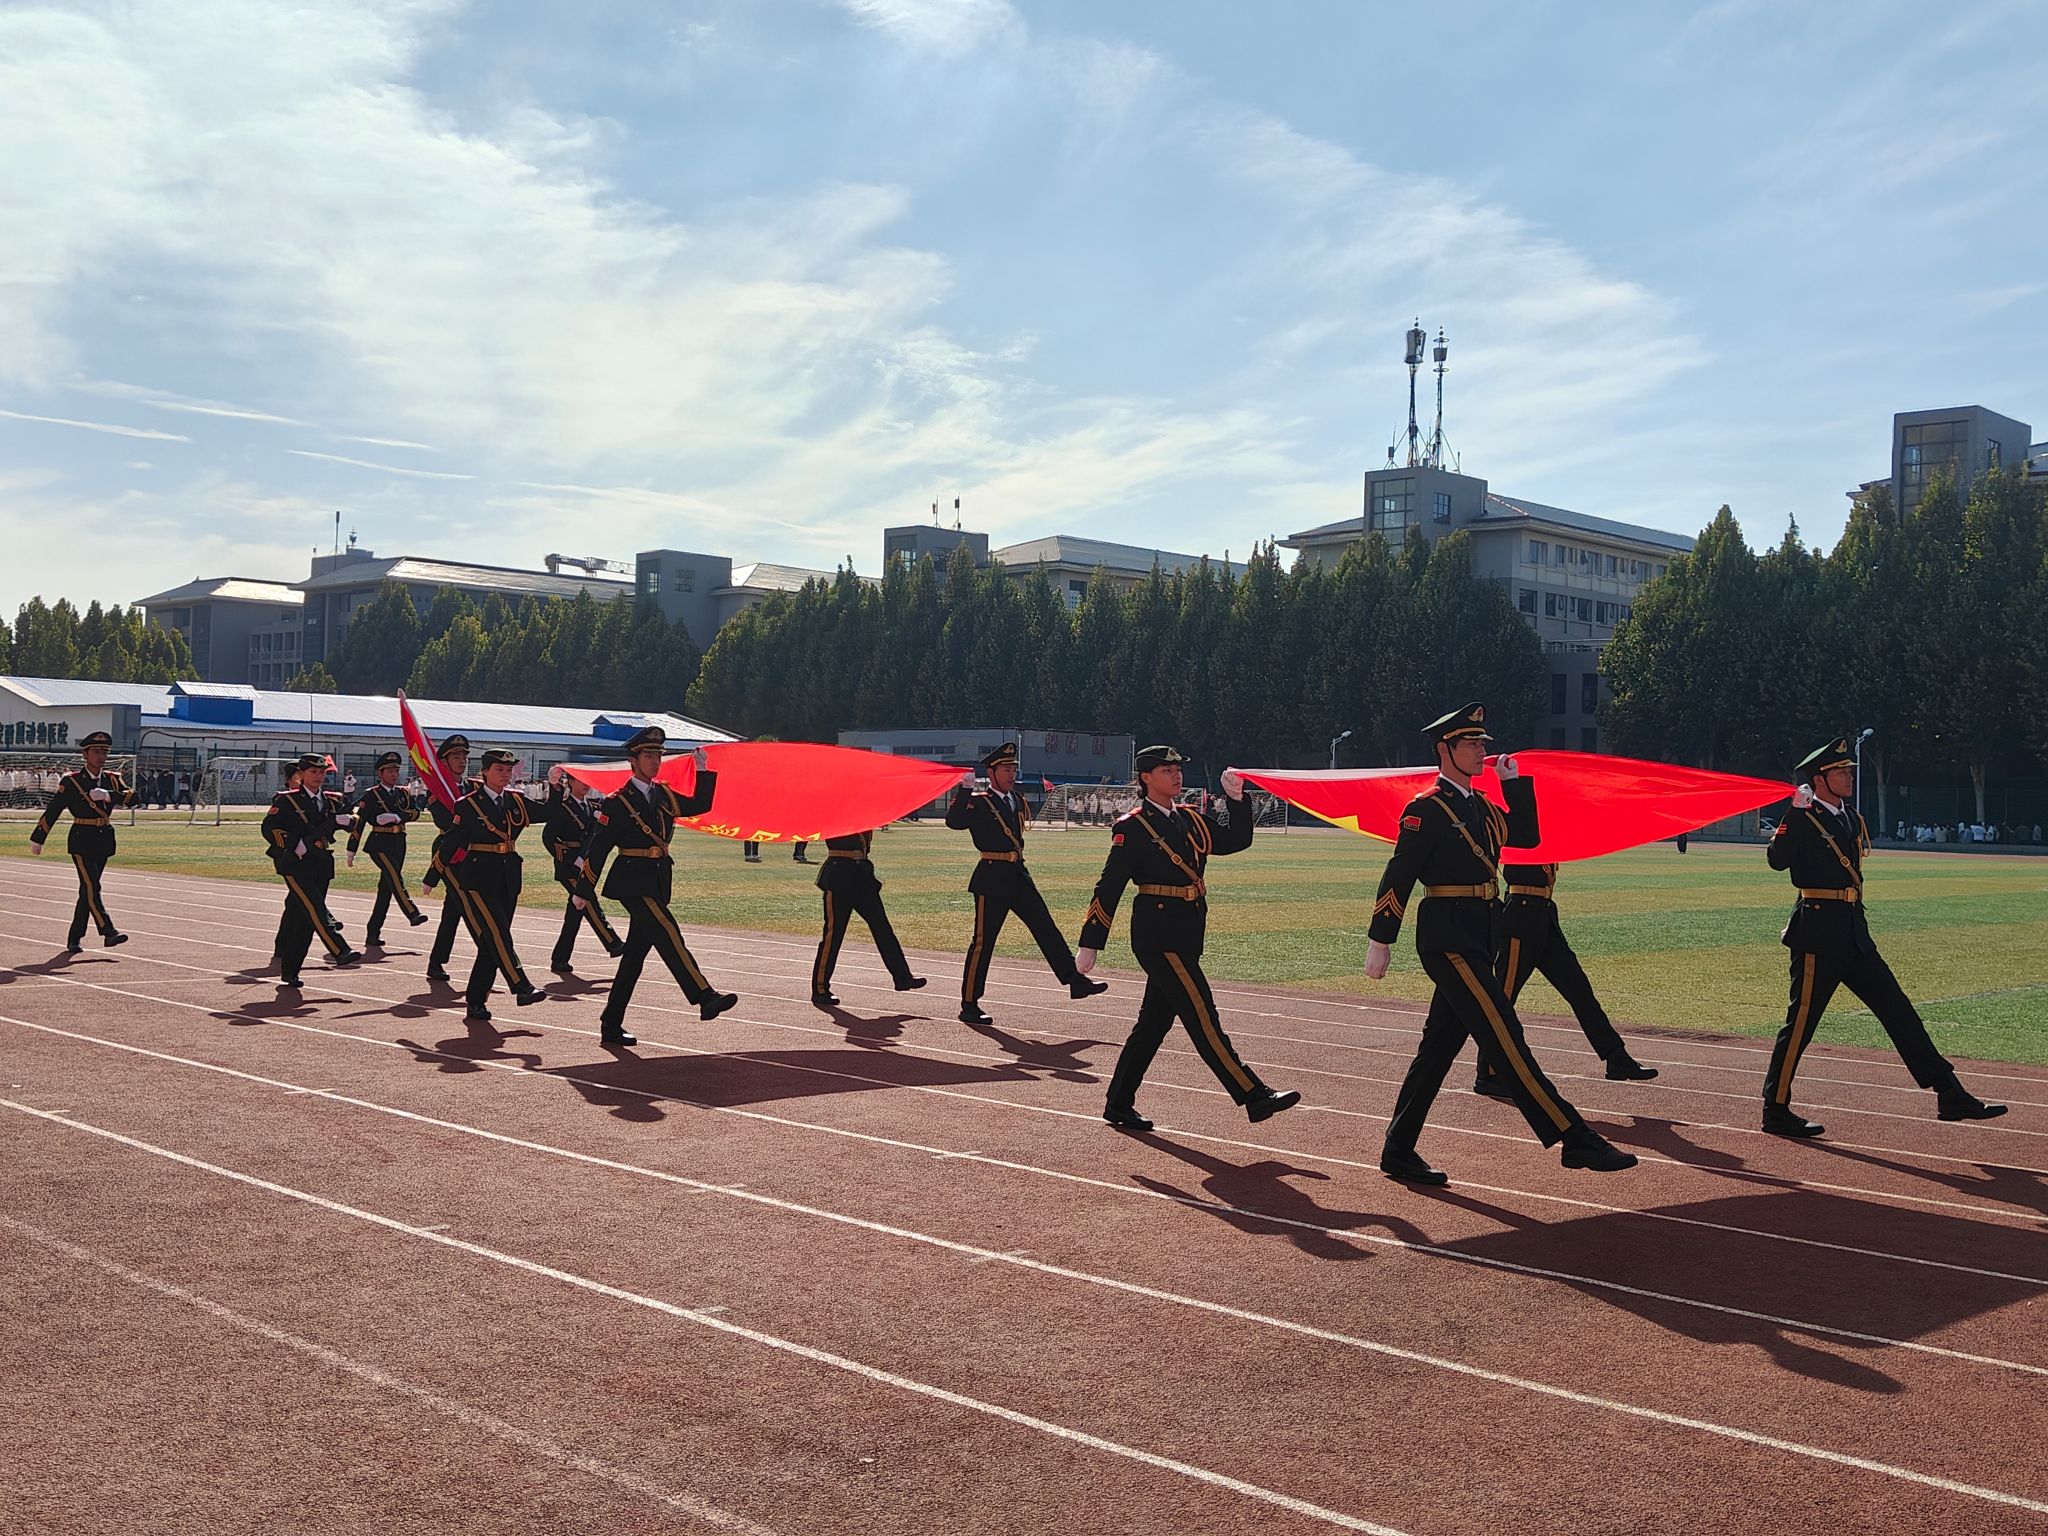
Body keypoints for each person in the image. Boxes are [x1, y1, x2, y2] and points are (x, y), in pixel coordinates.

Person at [1364, 703, 1636, 1184]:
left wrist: (1514, 784)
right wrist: (1380, 938)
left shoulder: (1483, 806)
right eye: (1470, 744)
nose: (1479, 751)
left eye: (1481, 744)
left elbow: (1527, 837)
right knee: (1503, 1032)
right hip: (1447, 936)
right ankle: (1573, 1137)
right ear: (1444, 749)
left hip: (1481, 932)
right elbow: (1399, 874)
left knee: (1438, 1049)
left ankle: (1398, 1150)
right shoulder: (1425, 809)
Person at [1760, 738, 2004, 1136]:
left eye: (1849, 771)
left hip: (1854, 933)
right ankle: (1775, 1109)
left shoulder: (1850, 817)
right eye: (1840, 771)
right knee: (1800, 1024)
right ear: (1819, 779)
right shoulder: (1803, 817)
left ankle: (1949, 1092)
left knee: (1899, 1011)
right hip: (1817, 935)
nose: (1849, 777)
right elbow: (1777, 861)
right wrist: (1794, 811)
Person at [1076, 745, 1299, 1131]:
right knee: (1202, 1014)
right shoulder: (1133, 827)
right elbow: (1108, 886)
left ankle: (1118, 1103)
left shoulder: (1190, 818)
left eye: (1178, 769)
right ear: (1146, 777)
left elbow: (1235, 840)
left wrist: (1236, 800)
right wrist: (1091, 941)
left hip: (1188, 930)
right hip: (1156, 934)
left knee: (1153, 1024)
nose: (1177, 775)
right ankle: (1253, 1094)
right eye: (1167, 770)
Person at [581, 727, 738, 1046]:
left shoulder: (664, 794)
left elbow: (699, 805)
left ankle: (611, 1023)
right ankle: (704, 995)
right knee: (668, 931)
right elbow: (599, 849)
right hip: (631, 880)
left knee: (634, 957)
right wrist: (583, 890)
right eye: (649, 755)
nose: (655, 761)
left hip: (656, 879)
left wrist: (703, 770)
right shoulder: (617, 802)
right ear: (633, 760)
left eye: (658, 756)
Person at [947, 742, 1106, 1025]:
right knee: (983, 942)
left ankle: (1074, 980)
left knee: (1045, 927)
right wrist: (964, 790)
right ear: (992, 773)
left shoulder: (1016, 800)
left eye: (1013, 770)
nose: (1011, 775)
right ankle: (969, 1003)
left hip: (1017, 873)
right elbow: (954, 822)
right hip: (991, 876)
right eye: (1006, 770)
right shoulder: (980, 802)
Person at [1473, 861, 1656, 1097]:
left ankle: (1616, 1057)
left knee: (1580, 991)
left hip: (1544, 916)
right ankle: (1487, 1072)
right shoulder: (1517, 838)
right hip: (1521, 919)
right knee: (1503, 1000)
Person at [444, 749, 553, 1022]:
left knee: (491, 941)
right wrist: (432, 876)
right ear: (485, 772)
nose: (505, 775)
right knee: (499, 934)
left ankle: (475, 1001)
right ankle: (521, 985)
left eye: (508, 770)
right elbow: (452, 841)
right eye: (499, 770)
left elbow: (548, 812)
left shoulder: (516, 800)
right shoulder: (468, 804)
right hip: (479, 877)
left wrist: (555, 785)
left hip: (508, 876)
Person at [29, 730, 138, 953]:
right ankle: (108, 931)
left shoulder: (112, 779)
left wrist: (109, 795)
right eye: (96, 752)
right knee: (92, 887)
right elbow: (54, 810)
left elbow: (135, 798)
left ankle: (74, 937)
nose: (101, 757)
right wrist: (38, 838)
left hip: (104, 838)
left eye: (104, 752)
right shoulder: (72, 781)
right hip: (82, 838)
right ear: (85, 755)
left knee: (87, 891)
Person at [261, 753, 362, 987]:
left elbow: (354, 820)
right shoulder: (287, 801)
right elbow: (269, 828)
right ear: (301, 774)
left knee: (305, 919)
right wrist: (292, 842)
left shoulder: (332, 801)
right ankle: (340, 949)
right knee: (315, 907)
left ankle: (290, 970)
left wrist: (349, 821)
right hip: (295, 863)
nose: (318, 776)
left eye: (322, 772)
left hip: (321, 862)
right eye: (313, 772)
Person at [810, 828, 925, 1007]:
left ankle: (902, 977)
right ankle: (820, 988)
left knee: (882, 928)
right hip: (839, 875)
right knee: (833, 935)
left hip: (862, 876)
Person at [345, 750, 428, 949]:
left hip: (399, 841)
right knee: (394, 877)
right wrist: (351, 849)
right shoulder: (371, 795)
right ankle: (412, 912)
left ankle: (373, 932)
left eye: (396, 770)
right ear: (380, 773)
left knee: (386, 889)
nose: (393, 774)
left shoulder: (403, 793)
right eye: (389, 771)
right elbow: (359, 822)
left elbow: (416, 812)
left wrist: (398, 817)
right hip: (379, 843)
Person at [543, 770, 624, 975]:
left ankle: (560, 959)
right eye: (580, 780)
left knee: (575, 914)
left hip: (587, 864)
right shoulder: (563, 807)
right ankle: (613, 942)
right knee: (588, 901)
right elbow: (549, 837)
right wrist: (570, 858)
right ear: (570, 781)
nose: (585, 784)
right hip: (569, 867)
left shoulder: (594, 806)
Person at [420, 734, 479, 982]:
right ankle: (494, 955)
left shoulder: (474, 788)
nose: (462, 760)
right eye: (456, 756)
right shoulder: (437, 792)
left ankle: (436, 961)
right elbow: (445, 822)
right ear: (443, 762)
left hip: (472, 853)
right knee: (469, 905)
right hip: (449, 853)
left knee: (453, 910)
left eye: (464, 756)